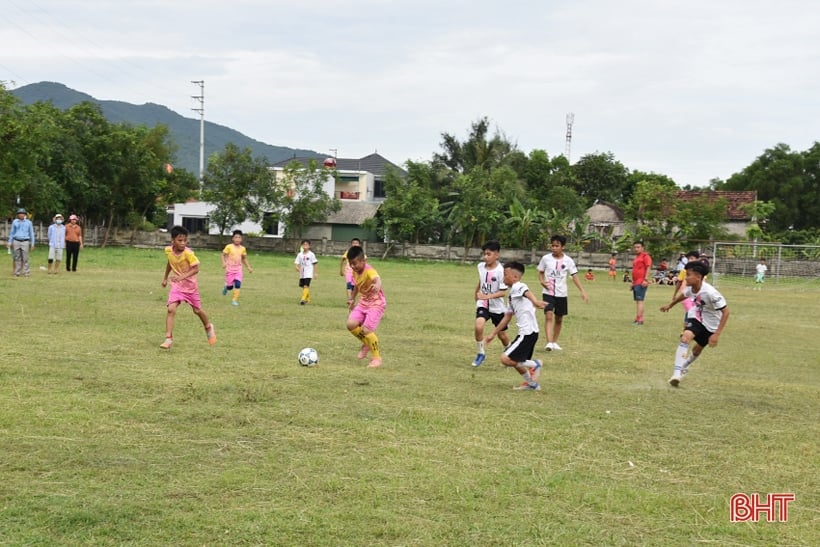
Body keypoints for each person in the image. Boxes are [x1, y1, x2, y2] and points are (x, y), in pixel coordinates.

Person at [660, 261, 730, 387]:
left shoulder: (710, 293)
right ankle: (676, 374)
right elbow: (684, 295)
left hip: (712, 324)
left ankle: (685, 367)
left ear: (698, 277)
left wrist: (717, 334)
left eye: (688, 275)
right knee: (685, 337)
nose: (685, 278)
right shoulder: (692, 288)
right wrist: (670, 305)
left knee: (697, 349)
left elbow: (726, 312)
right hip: (696, 317)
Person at [484, 261, 546, 391]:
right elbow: (507, 317)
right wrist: (493, 334)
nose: (503, 278)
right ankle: (532, 384)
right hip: (528, 333)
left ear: (515, 277)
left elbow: (526, 292)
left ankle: (535, 364)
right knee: (516, 361)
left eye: (505, 274)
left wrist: (535, 301)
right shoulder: (512, 294)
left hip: (527, 333)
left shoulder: (519, 286)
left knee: (505, 359)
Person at [159, 225, 216, 349]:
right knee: (171, 309)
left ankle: (208, 326)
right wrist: (165, 278)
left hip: (190, 287)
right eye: (180, 240)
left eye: (185, 240)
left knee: (197, 310)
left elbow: (196, 269)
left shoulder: (188, 253)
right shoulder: (169, 250)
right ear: (172, 240)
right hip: (177, 285)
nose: (183, 243)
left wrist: (182, 276)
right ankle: (168, 338)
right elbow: (170, 262)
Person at [536, 235, 589, 351]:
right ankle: (549, 342)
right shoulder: (546, 259)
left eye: (557, 246)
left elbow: (574, 276)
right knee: (548, 315)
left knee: (559, 318)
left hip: (561, 294)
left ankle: (554, 342)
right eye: (552, 245)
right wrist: (542, 282)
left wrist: (582, 291)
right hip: (548, 292)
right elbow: (540, 272)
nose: (554, 248)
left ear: (563, 247)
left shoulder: (568, 261)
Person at [345, 245, 386, 368]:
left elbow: (377, 278)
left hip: (376, 304)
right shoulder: (355, 272)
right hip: (364, 302)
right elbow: (357, 286)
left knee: (367, 330)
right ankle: (367, 343)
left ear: (363, 261)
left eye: (355, 263)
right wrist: (352, 298)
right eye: (350, 264)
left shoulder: (369, 270)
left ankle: (376, 358)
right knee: (351, 324)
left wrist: (377, 285)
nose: (353, 266)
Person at [471, 240, 509, 367]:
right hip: (483, 304)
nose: (485, 257)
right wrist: (476, 292)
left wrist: (487, 296)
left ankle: (508, 350)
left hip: (497, 307)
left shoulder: (501, 271)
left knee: (502, 335)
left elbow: (503, 292)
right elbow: (481, 280)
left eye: (489, 254)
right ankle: (481, 353)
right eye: (484, 254)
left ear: (497, 255)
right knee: (478, 326)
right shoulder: (480, 266)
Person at [221, 229, 253, 306]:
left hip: (238, 269)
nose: (237, 239)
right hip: (230, 269)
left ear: (241, 239)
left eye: (239, 237)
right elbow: (223, 255)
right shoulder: (229, 247)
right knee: (230, 287)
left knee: (238, 284)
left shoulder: (243, 248)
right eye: (236, 237)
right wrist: (224, 263)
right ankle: (226, 287)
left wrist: (248, 267)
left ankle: (234, 300)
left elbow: (244, 258)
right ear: (233, 238)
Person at [7, 208, 35, 277]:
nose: (21, 215)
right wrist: (9, 242)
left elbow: (31, 233)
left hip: (25, 241)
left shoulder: (28, 222)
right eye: (20, 214)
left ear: (25, 215)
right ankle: (17, 272)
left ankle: (27, 273)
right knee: (17, 257)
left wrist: (32, 243)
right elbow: (12, 233)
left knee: (25, 258)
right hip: (16, 241)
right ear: (18, 215)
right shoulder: (15, 222)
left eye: (22, 213)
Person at [630, 241, 652, 325]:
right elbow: (635, 270)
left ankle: (639, 319)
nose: (636, 249)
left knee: (640, 301)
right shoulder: (636, 258)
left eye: (638, 247)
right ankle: (638, 318)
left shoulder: (645, 256)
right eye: (635, 247)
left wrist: (645, 279)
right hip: (636, 282)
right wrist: (633, 282)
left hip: (641, 282)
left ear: (643, 248)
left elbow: (648, 267)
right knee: (638, 301)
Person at [294, 239, 318, 305]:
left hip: (308, 273)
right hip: (302, 273)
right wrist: (296, 267)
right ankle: (308, 299)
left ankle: (303, 299)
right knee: (303, 286)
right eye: (304, 244)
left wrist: (315, 273)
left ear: (309, 246)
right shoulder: (300, 254)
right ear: (301, 246)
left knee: (306, 286)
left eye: (306, 244)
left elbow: (315, 263)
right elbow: (296, 262)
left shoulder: (311, 254)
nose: (305, 246)